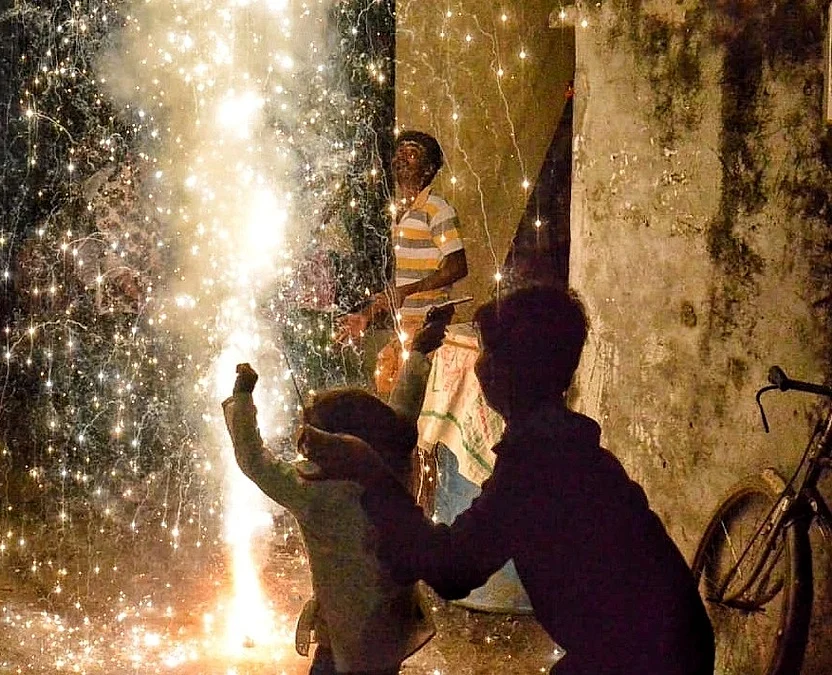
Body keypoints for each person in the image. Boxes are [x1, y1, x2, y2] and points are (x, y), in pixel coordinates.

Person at [301, 285, 715, 674]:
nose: (478, 365)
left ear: (509, 372)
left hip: (643, 657)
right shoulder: (568, 447)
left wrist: (373, 475)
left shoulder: (538, 468)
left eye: (486, 353)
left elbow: (452, 569)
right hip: (670, 643)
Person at [220, 309, 453, 674]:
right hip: (391, 620)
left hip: (344, 631)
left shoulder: (311, 488)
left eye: (313, 431)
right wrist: (423, 346)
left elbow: (253, 460)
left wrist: (242, 396)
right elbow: (404, 405)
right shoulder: (392, 457)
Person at [338, 130, 467, 396]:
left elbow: (457, 267)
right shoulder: (401, 215)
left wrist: (405, 292)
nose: (401, 160)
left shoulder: (437, 209)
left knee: (411, 400)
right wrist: (366, 316)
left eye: (411, 154)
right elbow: (400, 288)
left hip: (429, 329)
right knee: (389, 388)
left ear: (429, 168)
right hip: (407, 327)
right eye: (398, 154)